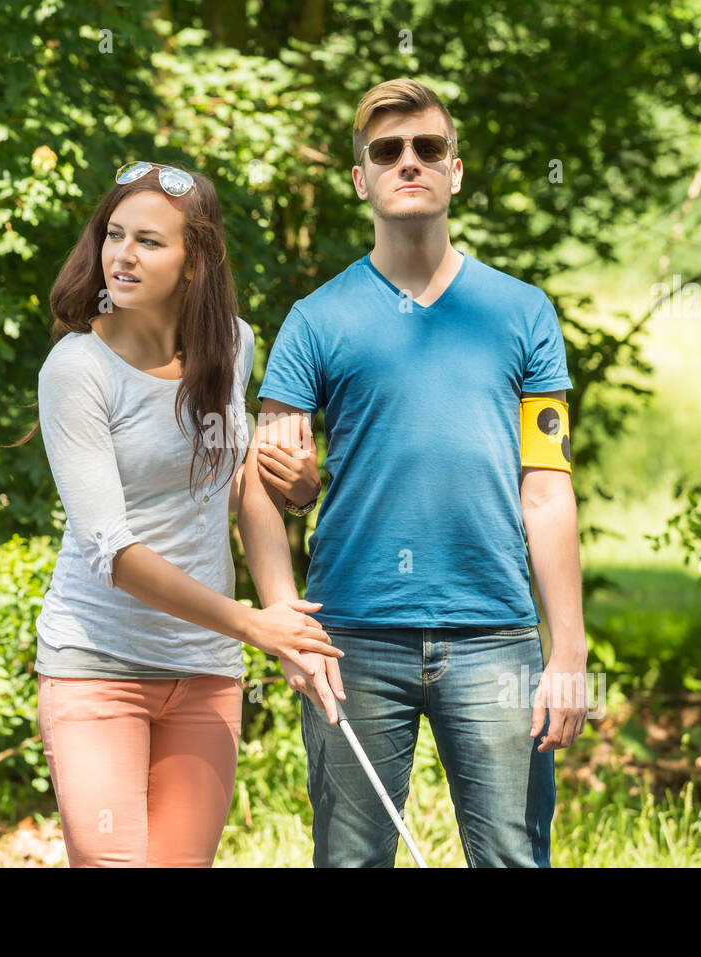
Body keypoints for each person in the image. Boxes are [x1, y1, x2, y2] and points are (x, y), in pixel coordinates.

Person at [240, 78, 590, 867]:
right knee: (353, 860)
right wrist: (284, 601)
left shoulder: (524, 311)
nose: (409, 162)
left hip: (496, 635)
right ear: (361, 178)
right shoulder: (314, 320)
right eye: (387, 151)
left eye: (428, 148)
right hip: (354, 636)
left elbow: (548, 485)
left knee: (511, 856)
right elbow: (269, 484)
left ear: (455, 172)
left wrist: (566, 649)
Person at [11, 160, 336, 867]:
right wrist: (255, 624)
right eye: (113, 234)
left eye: (149, 241)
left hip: (204, 668)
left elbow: (244, 486)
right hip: (96, 664)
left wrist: (290, 625)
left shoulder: (234, 344)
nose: (122, 255)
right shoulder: (77, 369)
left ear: (196, 262)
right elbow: (114, 552)